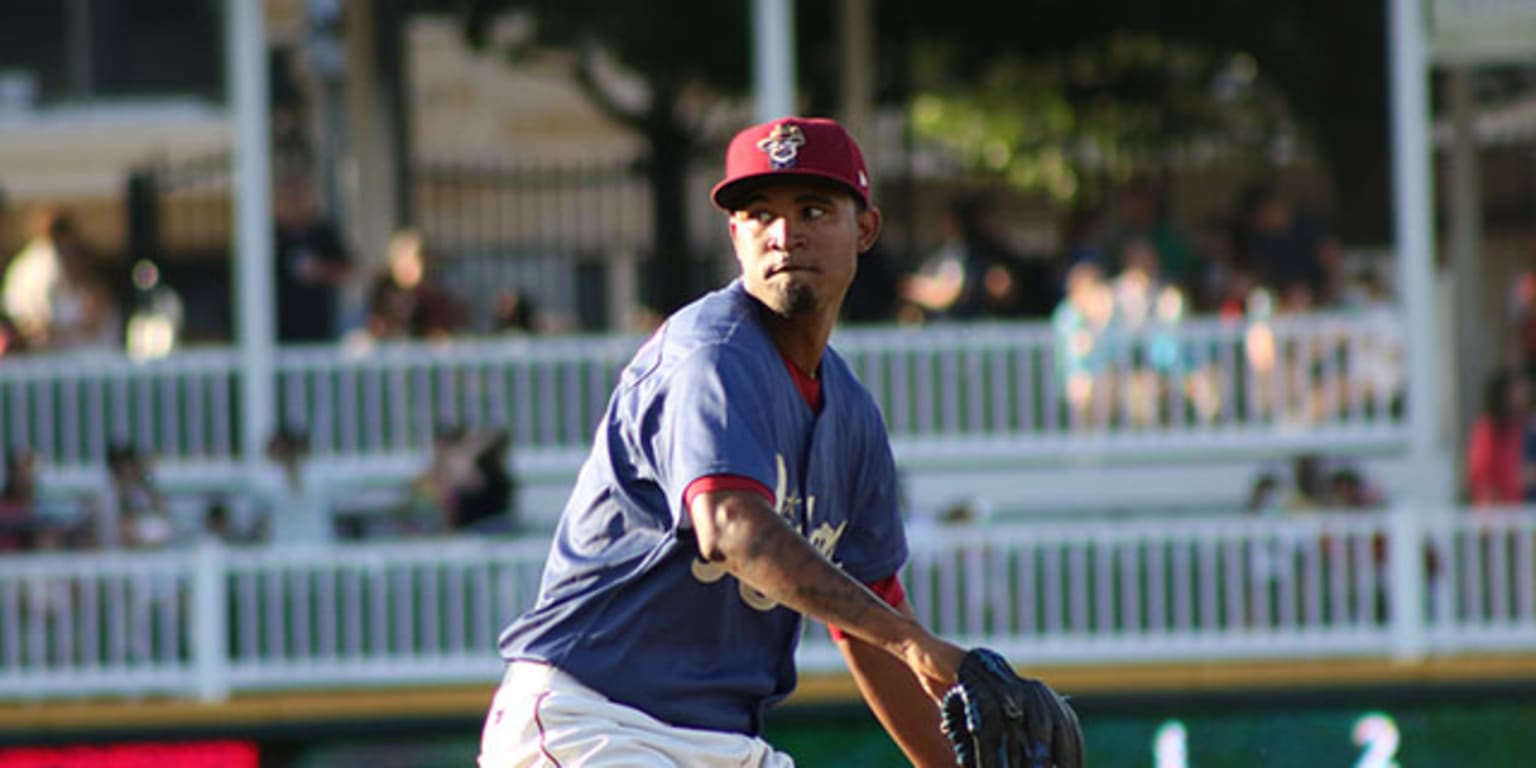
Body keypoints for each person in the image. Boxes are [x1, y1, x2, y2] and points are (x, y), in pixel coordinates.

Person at [480, 117, 984, 767]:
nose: (784, 235)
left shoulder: (851, 414)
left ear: (864, 229)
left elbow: (871, 617)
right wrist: (913, 644)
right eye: (758, 213)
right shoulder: (711, 354)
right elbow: (730, 527)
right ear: (735, 235)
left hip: (720, 744)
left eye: (812, 209)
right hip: (592, 721)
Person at [273, 173, 351, 343]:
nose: (292, 203)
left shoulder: (322, 232)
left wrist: (321, 271)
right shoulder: (269, 237)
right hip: (277, 335)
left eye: (297, 197)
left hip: (319, 331)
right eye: (286, 198)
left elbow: (348, 269)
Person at [1466, 368, 1527, 508]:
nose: (1522, 394)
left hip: (1516, 513)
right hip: (1496, 518)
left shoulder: (1516, 429)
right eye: (1515, 390)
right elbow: (1483, 477)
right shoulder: (1487, 431)